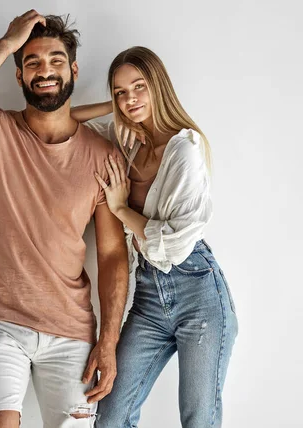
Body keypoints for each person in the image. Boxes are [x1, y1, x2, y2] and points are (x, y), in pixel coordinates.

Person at [0, 10, 129, 428]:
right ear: (18, 76)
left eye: (56, 61)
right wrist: (6, 43)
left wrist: (108, 342)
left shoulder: (103, 154)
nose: (45, 71)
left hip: (72, 332)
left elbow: (112, 253)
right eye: (32, 62)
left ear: (73, 70)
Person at [71, 46, 238, 428]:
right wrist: (110, 109)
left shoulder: (186, 150)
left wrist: (119, 209)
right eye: (120, 92)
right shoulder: (125, 138)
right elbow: (65, 122)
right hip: (148, 295)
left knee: (198, 419)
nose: (130, 99)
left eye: (139, 87)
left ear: (158, 86)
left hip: (198, 292)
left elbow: (177, 242)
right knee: (110, 417)